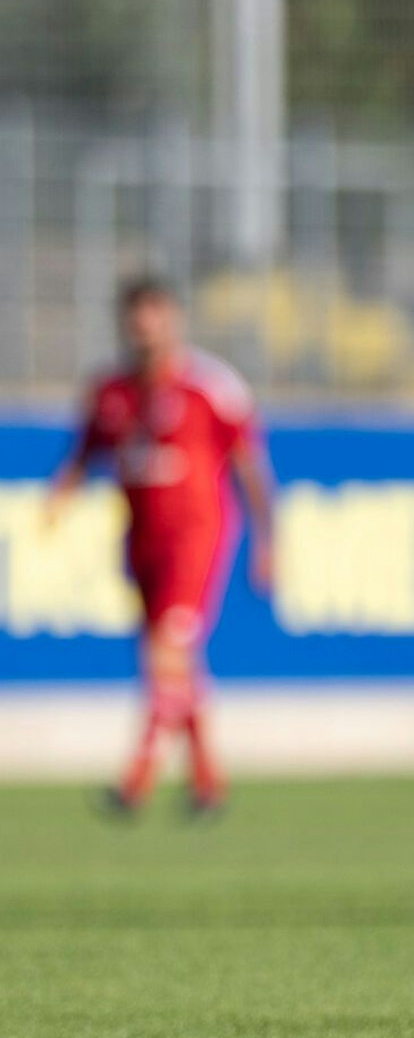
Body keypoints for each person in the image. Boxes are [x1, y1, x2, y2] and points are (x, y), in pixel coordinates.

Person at [45, 277, 274, 817]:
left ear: (173, 320)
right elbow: (84, 455)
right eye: (136, 317)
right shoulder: (111, 393)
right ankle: (208, 780)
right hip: (142, 542)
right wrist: (58, 501)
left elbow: (250, 466)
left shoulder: (210, 387)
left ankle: (137, 779)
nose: (145, 328)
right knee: (176, 664)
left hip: (195, 537)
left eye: (155, 315)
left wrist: (267, 539)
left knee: (165, 653)